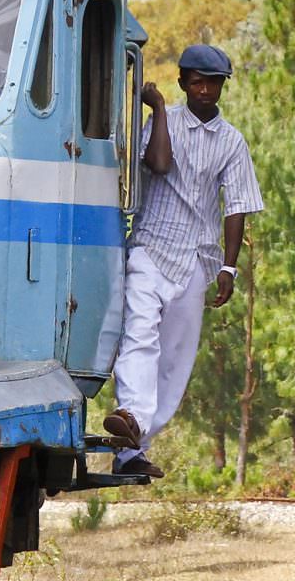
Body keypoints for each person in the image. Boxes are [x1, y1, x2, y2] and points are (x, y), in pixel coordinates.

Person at [102, 43, 263, 478]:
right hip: (151, 250)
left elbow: (238, 205)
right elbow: (157, 163)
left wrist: (229, 268)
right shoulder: (164, 121)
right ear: (183, 83)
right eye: (197, 81)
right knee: (139, 336)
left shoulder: (231, 141)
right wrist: (156, 108)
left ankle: (134, 447)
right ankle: (131, 416)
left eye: (213, 82)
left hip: (196, 260)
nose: (205, 89)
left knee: (175, 357)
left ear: (222, 86)